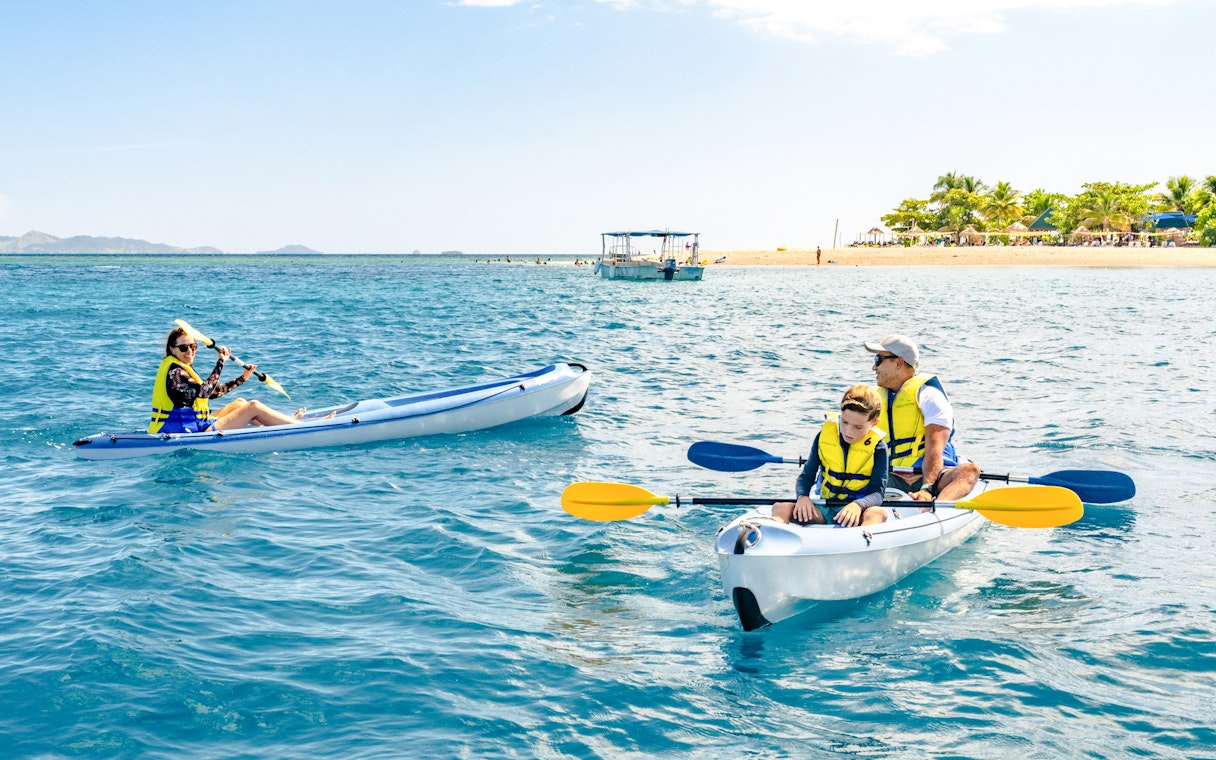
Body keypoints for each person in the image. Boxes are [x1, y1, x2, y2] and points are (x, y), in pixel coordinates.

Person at [864, 335, 980, 502]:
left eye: (878, 360)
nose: (874, 367)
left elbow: (935, 448)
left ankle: (936, 509)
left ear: (898, 362)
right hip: (889, 476)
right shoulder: (874, 399)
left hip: (931, 477)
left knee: (970, 471)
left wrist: (927, 488)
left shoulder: (929, 396)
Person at [149, 326, 305, 434]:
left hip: (197, 425)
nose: (190, 351)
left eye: (193, 346)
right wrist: (221, 362)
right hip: (184, 432)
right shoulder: (175, 373)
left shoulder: (181, 368)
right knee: (253, 406)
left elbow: (212, 393)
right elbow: (205, 392)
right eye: (184, 348)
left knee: (240, 403)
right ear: (172, 349)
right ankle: (300, 428)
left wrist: (243, 378)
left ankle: (281, 424)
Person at [772, 384, 890, 528]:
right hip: (825, 509)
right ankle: (773, 536)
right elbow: (806, 477)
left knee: (878, 514)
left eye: (858, 427)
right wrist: (802, 497)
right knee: (780, 507)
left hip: (857, 513)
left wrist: (858, 505)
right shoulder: (823, 438)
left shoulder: (879, 448)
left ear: (874, 423)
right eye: (844, 422)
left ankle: (861, 543)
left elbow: (877, 493)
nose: (848, 431)